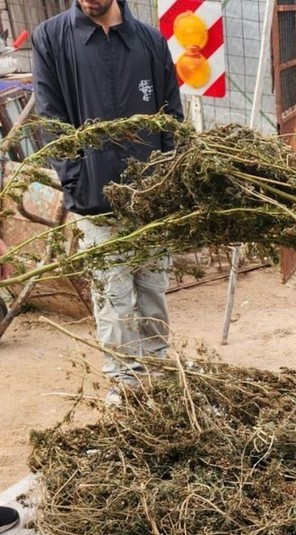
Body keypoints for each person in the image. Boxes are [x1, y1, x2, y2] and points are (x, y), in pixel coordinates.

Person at [32, 0, 184, 387]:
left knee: (153, 292)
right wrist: (77, 181)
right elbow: (51, 119)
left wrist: (167, 180)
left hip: (151, 199)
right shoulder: (52, 39)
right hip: (95, 200)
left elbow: (172, 117)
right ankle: (125, 385)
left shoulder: (149, 41)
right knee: (112, 300)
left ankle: (161, 375)